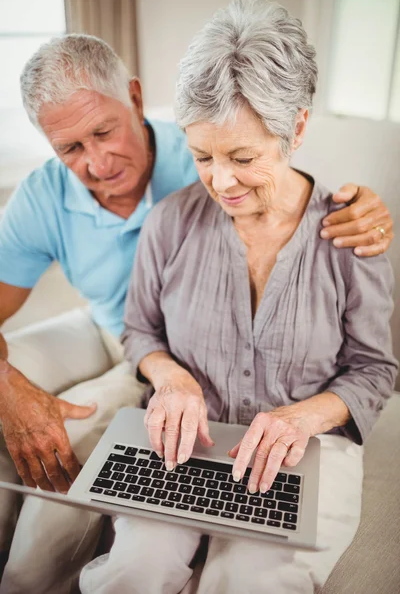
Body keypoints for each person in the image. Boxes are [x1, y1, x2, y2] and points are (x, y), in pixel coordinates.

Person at [0, 31, 394, 594]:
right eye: (203, 157)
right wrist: (169, 378)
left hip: (302, 440)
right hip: (164, 386)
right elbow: (139, 329)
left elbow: (375, 369)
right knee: (130, 566)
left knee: (250, 581)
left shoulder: (345, 228)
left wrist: (303, 416)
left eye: (241, 158)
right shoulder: (167, 214)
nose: (221, 180)